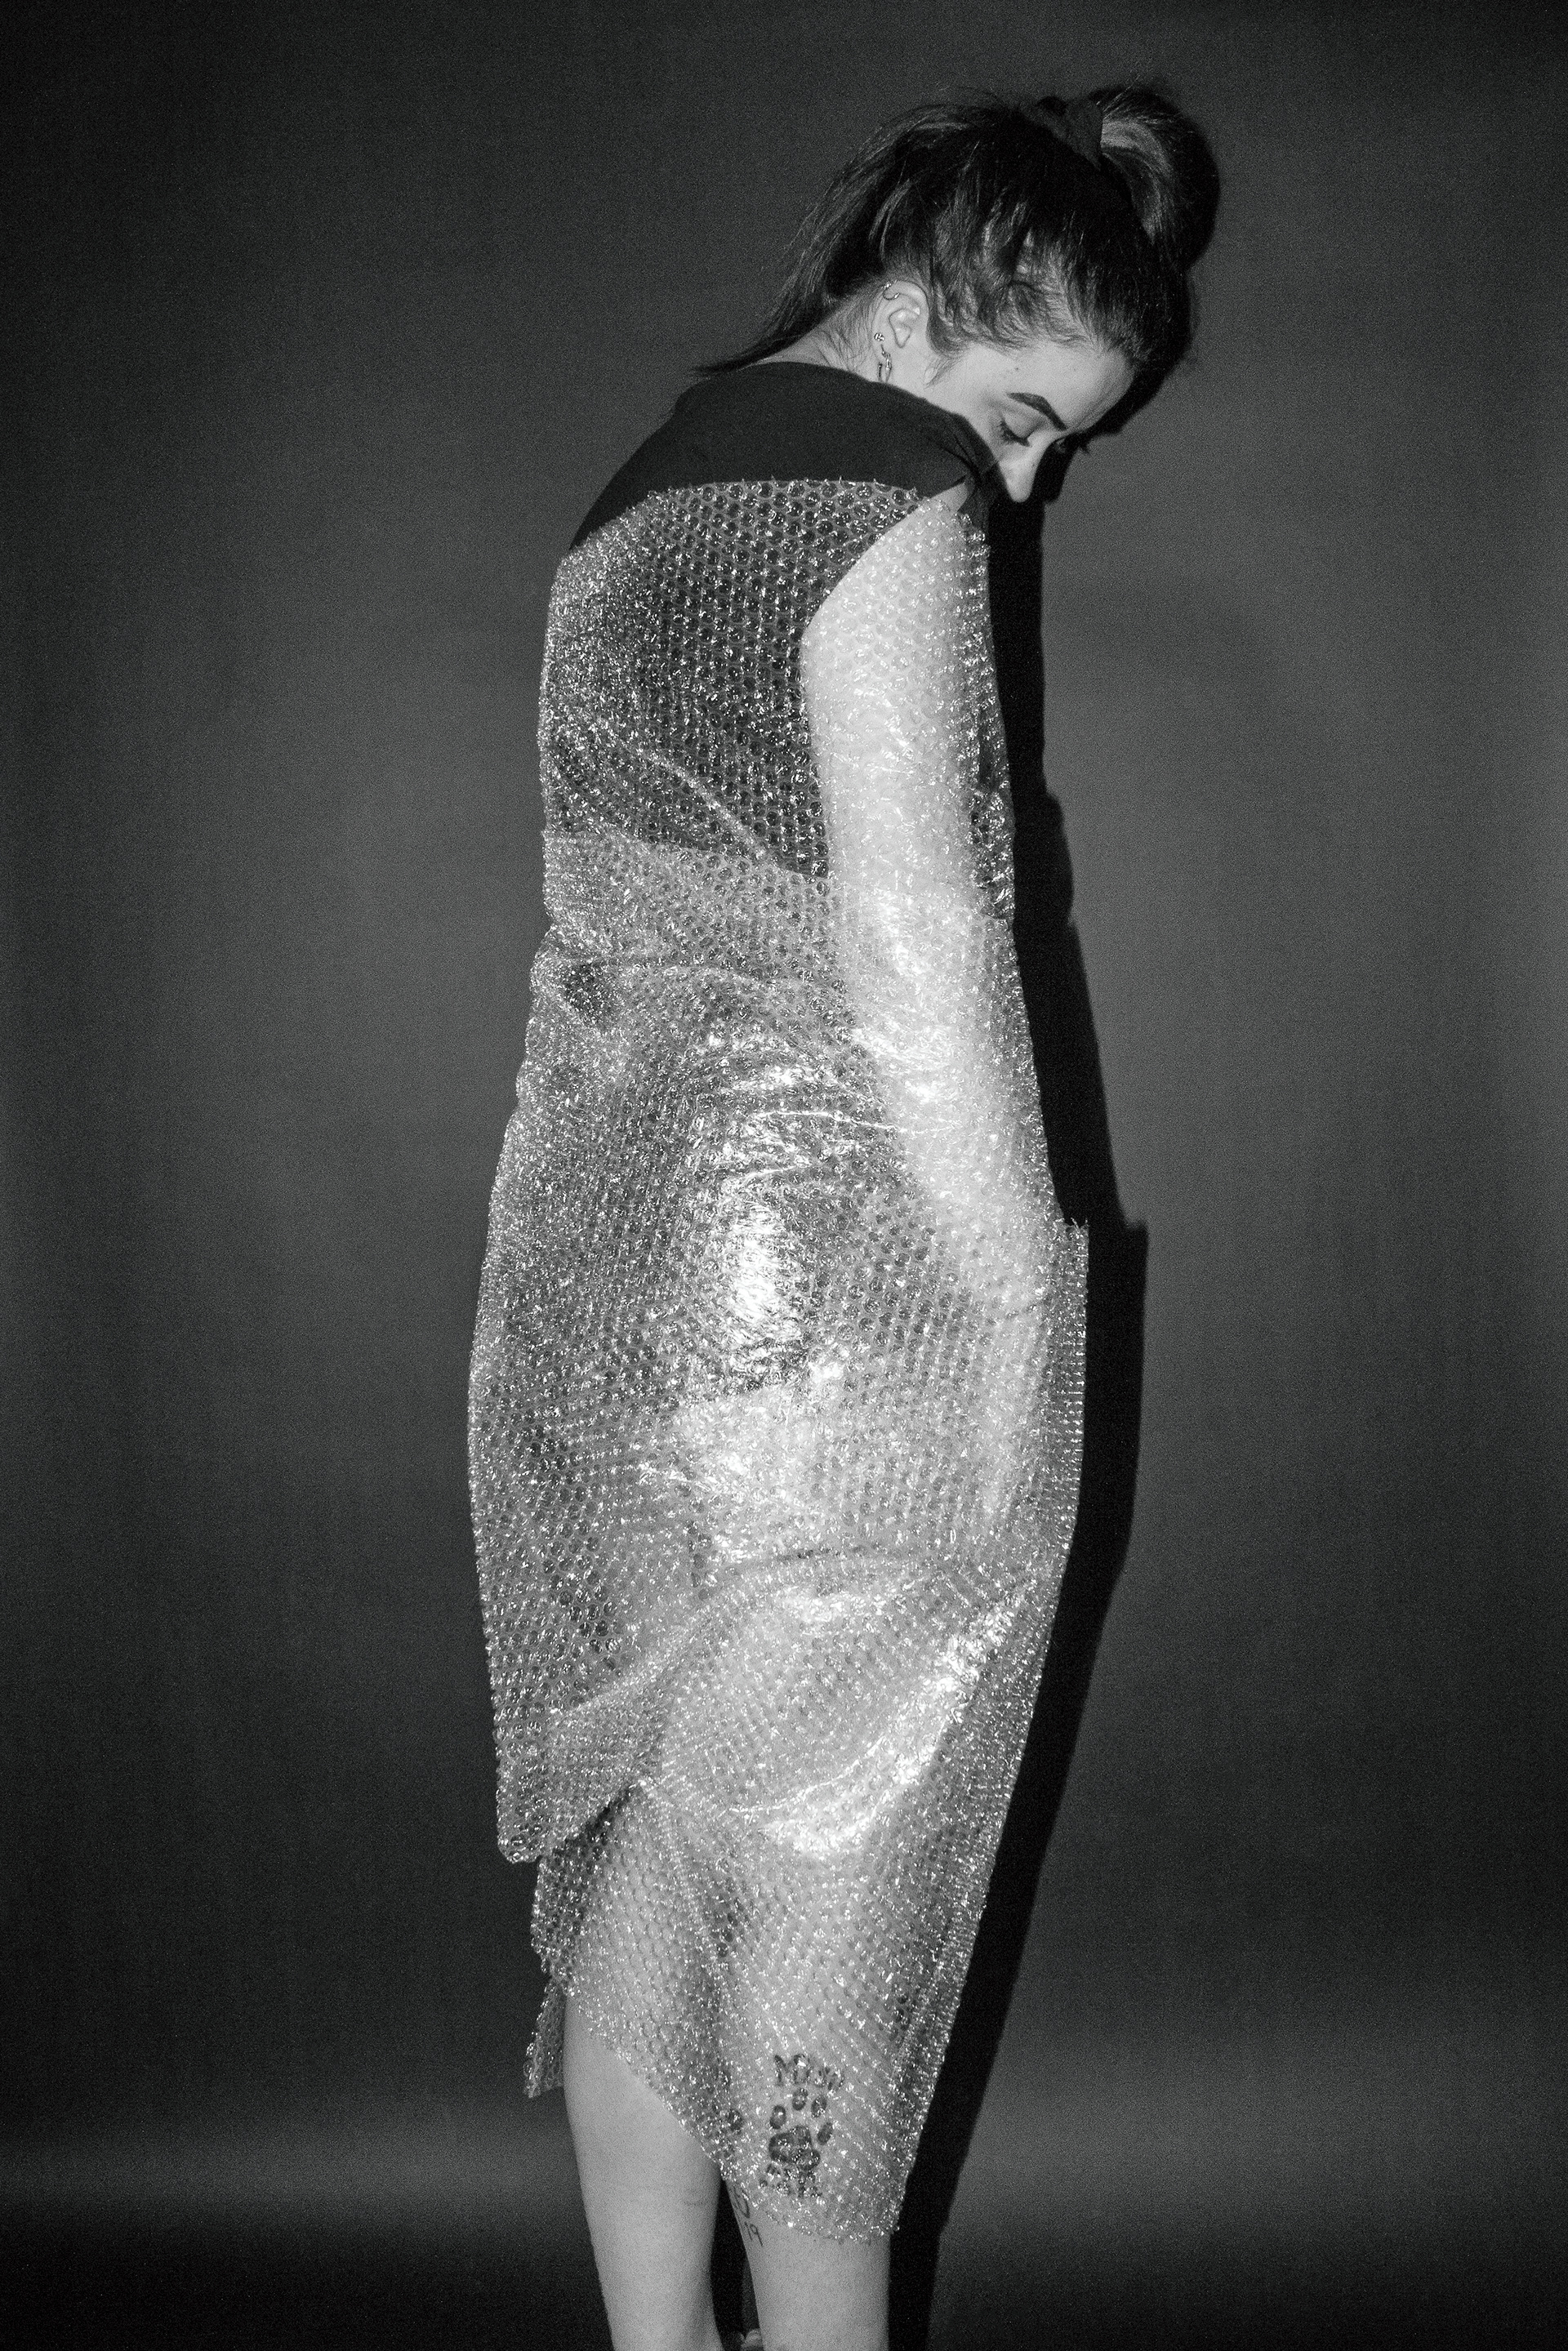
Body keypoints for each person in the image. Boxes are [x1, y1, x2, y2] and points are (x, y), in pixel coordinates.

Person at [470, 84, 1219, 2351]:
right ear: (927, 307)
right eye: (1023, 418)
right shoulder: (884, 494)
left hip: (598, 1285)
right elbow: (917, 948)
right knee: (830, 1910)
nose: (1025, 486)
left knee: (662, 1866)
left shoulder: (634, 504)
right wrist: (1011, 1315)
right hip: (827, 1302)